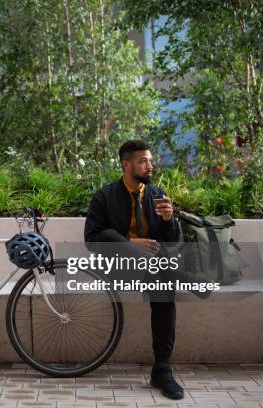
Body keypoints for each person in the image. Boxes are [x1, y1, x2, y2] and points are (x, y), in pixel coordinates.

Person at [84, 139, 185, 400]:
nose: (149, 165)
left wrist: (168, 220)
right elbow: (93, 239)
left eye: (150, 160)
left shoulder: (157, 195)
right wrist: (130, 243)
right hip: (117, 268)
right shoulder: (104, 196)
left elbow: (172, 242)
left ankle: (162, 369)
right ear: (126, 164)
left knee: (162, 281)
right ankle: (186, 277)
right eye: (143, 161)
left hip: (152, 269)